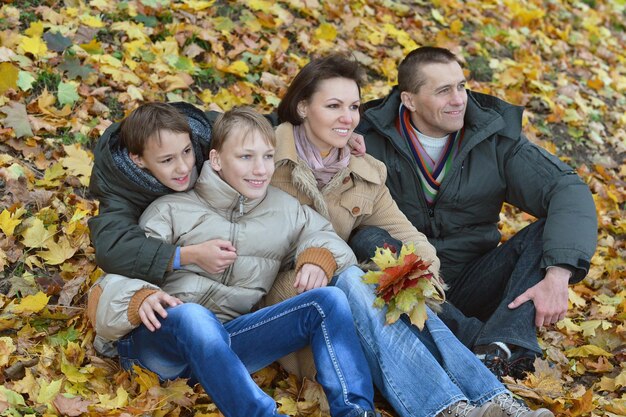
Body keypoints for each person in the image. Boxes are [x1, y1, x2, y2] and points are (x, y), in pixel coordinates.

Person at [266, 54, 553, 417]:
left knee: (402, 277)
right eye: (333, 106)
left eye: (354, 107)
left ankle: (492, 401)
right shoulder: (264, 156)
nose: (347, 117)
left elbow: (407, 233)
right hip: (286, 296)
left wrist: (424, 275)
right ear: (303, 107)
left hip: (347, 300)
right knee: (355, 276)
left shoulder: (363, 170)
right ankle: (447, 407)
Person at [88, 105, 377, 417]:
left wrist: (318, 258)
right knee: (194, 318)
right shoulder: (168, 209)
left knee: (328, 300)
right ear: (215, 159)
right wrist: (138, 298)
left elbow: (324, 237)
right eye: (245, 157)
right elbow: (121, 271)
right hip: (161, 348)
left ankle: (356, 411)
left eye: (267, 156)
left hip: (229, 344)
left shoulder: (284, 209)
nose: (261, 169)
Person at [355, 46, 598, 379]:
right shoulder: (367, 137)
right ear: (409, 100)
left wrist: (558, 275)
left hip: (474, 279)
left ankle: (503, 346)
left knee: (550, 236)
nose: (459, 99)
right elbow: (300, 130)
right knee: (369, 238)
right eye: (443, 91)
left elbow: (565, 189)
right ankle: (482, 344)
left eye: (461, 86)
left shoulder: (493, 136)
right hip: (411, 283)